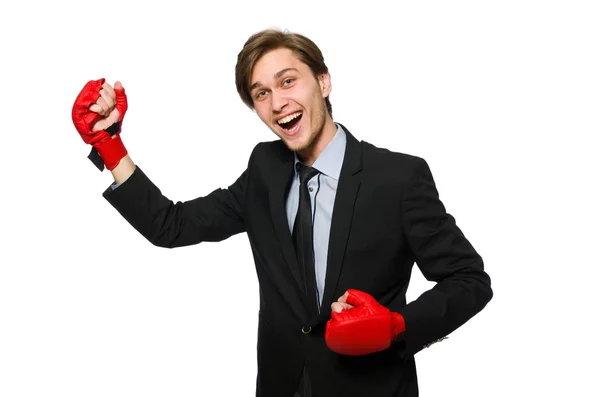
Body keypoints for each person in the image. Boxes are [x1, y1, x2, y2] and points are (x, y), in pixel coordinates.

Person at [71, 29, 493, 397]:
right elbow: (171, 225)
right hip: (280, 386)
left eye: (288, 81)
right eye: (261, 93)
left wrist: (397, 325)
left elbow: (469, 280)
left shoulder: (398, 178)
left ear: (323, 83)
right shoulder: (264, 171)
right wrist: (110, 145)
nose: (277, 103)